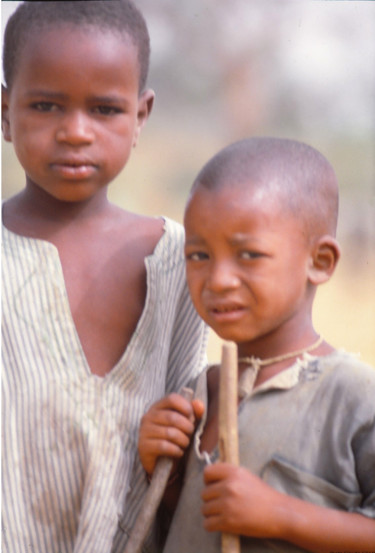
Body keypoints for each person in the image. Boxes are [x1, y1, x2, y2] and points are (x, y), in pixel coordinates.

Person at [1, 2, 207, 552]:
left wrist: (160, 458)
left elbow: (196, 454)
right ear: (3, 111)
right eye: (45, 105)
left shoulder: (182, 259)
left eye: (104, 110)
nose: (74, 132)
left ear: (140, 116)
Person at [138, 137, 375, 552]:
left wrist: (282, 515)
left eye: (247, 254)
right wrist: (164, 473)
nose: (218, 280)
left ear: (319, 262)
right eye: (198, 256)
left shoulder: (353, 396)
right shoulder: (200, 393)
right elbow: (199, 523)